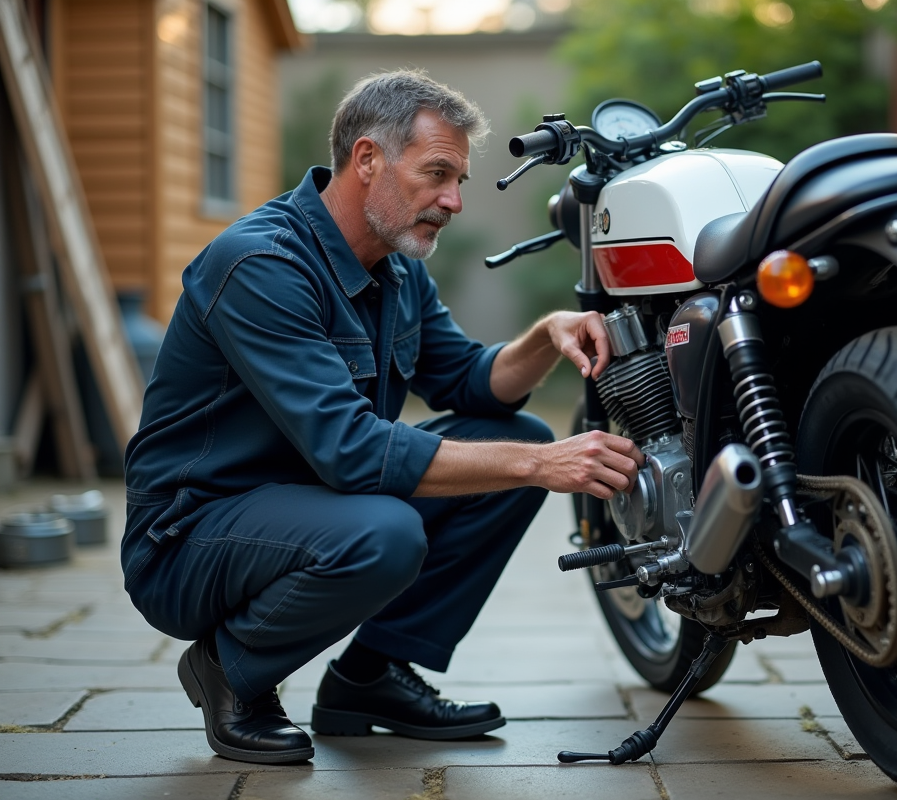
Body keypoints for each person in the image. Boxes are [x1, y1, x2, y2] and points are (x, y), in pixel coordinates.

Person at [120, 70, 643, 765]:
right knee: (393, 530)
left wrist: (547, 335)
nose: (454, 201)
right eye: (437, 174)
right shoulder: (259, 263)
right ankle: (230, 668)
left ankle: (369, 677)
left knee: (514, 437)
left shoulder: (397, 269)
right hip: (192, 539)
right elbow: (352, 452)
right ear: (367, 159)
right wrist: (542, 468)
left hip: (312, 507)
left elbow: (471, 384)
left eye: (458, 180)